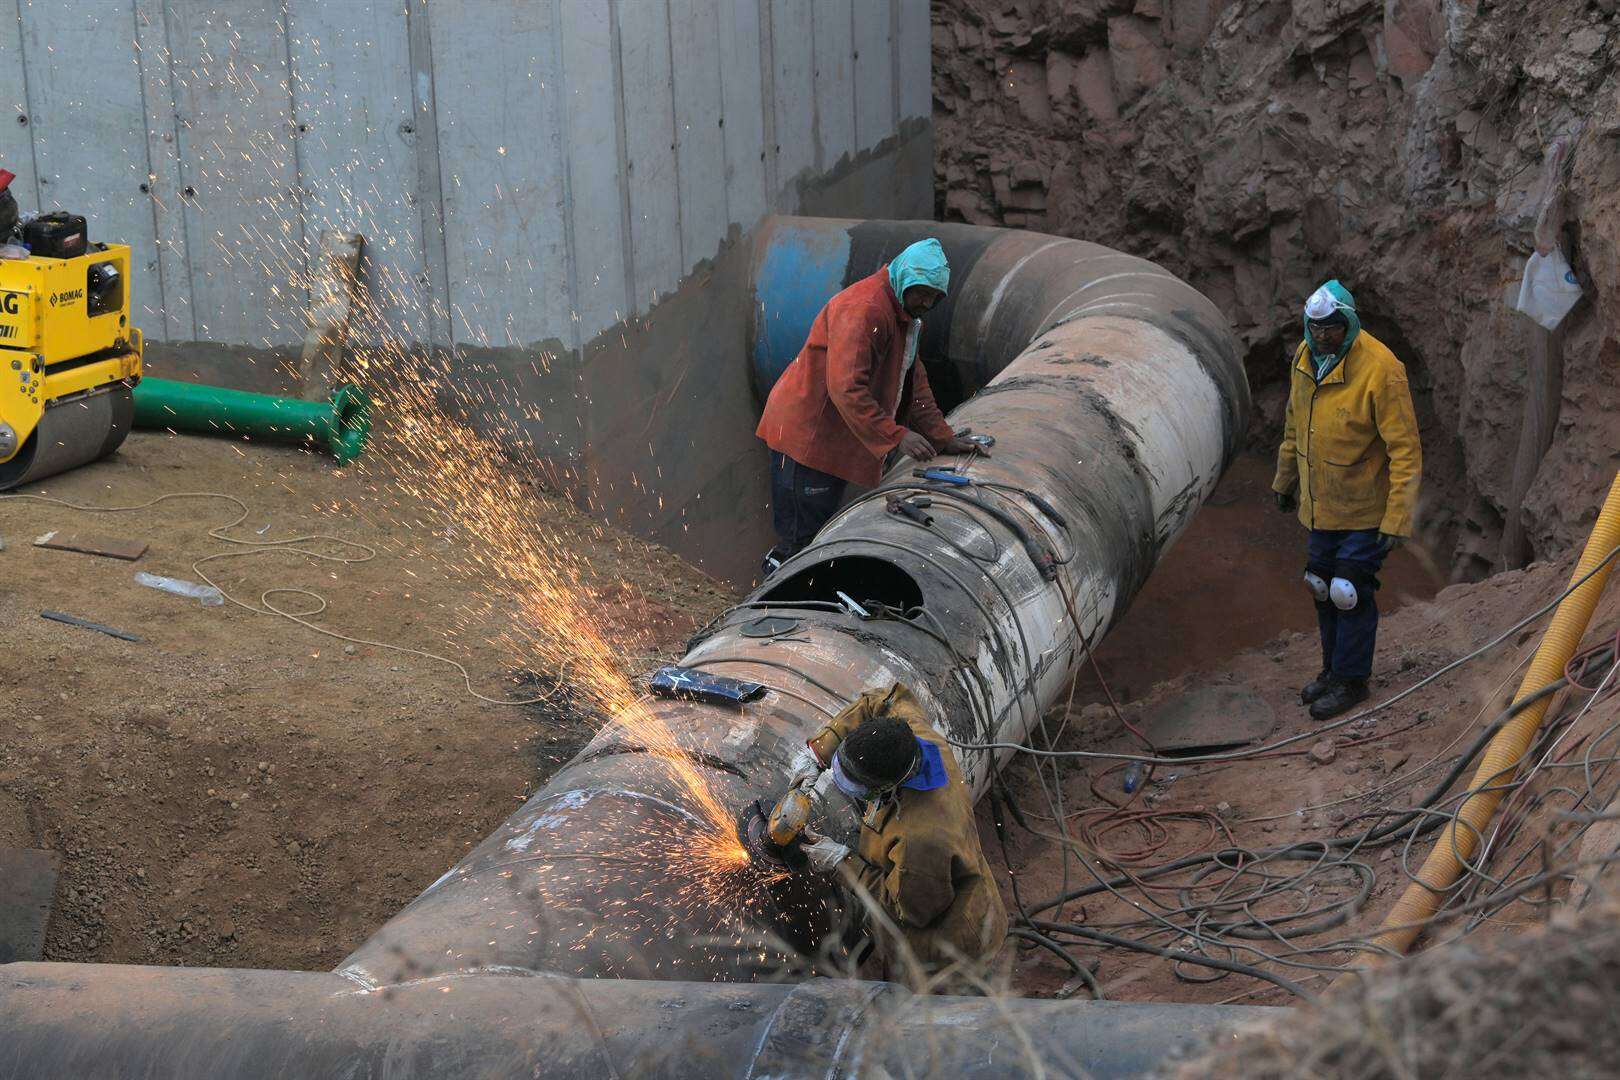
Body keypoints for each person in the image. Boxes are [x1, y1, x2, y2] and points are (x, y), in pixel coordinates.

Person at [755, 238, 983, 576]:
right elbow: (846, 388)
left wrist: (940, 435)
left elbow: (912, 379)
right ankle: (771, 607)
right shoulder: (866, 309)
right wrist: (895, 436)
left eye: (935, 297)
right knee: (799, 543)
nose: (926, 302)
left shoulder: (902, 314)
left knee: (817, 533)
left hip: (830, 438)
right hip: (806, 437)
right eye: (921, 292)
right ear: (905, 278)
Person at [789, 682, 1006, 987]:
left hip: (943, 950)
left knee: (925, 1023)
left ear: (887, 787)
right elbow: (884, 698)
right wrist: (819, 752)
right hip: (936, 889)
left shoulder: (921, 838)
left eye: (856, 785)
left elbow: (908, 910)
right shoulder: (912, 735)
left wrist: (842, 861)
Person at [1273, 280, 1422, 720]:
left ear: (1350, 323)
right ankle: (1333, 672)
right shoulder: (1305, 359)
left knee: (1347, 590)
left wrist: (1398, 516)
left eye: (1332, 328)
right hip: (1324, 504)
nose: (1322, 336)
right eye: (1315, 328)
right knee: (1320, 584)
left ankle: (1352, 681)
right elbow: (1294, 425)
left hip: (1366, 507)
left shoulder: (1381, 369)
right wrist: (1285, 480)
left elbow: (1405, 449)